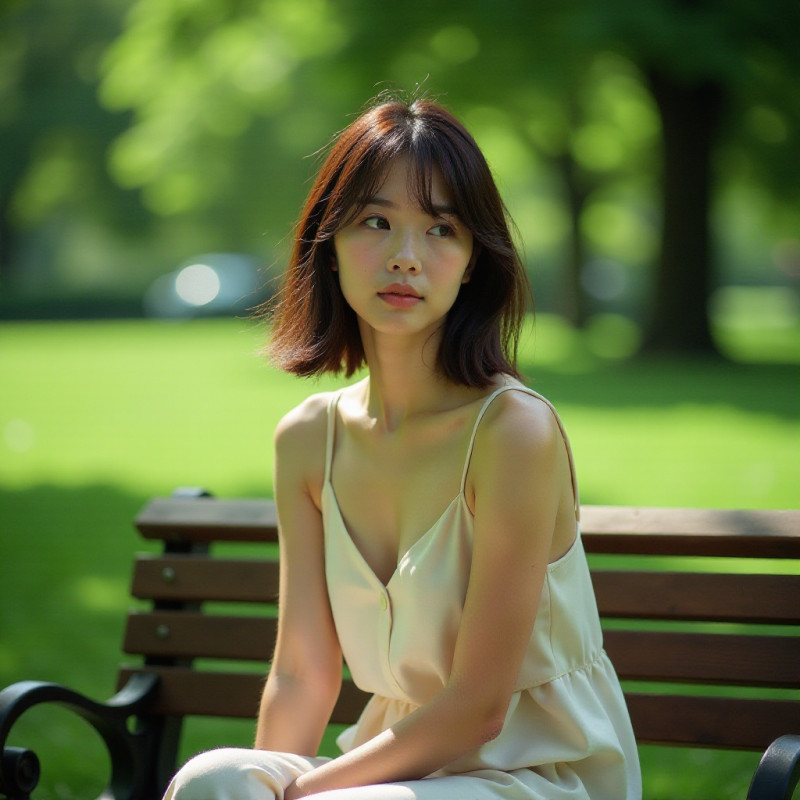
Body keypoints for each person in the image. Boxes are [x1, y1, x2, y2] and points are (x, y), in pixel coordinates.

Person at [164, 95, 642, 800]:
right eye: (376, 222)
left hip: (535, 775)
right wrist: (264, 787)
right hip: (398, 773)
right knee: (212, 780)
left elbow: (479, 708)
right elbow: (301, 671)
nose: (405, 258)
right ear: (329, 244)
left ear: (474, 259)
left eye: (441, 229)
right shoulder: (308, 439)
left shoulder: (512, 433)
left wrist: (301, 795)